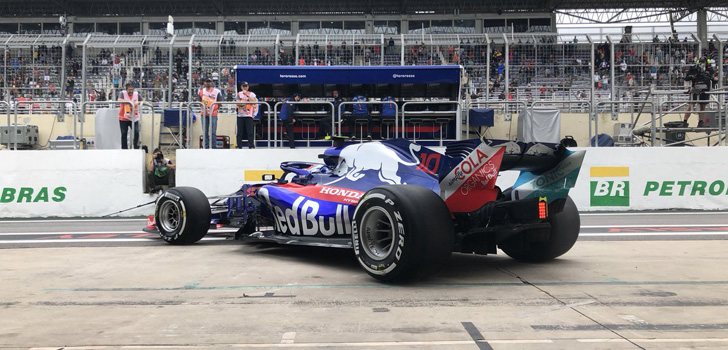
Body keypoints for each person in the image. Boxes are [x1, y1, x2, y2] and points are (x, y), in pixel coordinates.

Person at [684, 57, 718, 126]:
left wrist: (714, 79)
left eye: (704, 62)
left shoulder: (709, 69)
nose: (702, 64)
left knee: (702, 106)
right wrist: (693, 76)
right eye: (701, 62)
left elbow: (713, 79)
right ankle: (684, 122)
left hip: (705, 90)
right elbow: (687, 78)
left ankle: (701, 122)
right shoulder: (694, 68)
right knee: (691, 105)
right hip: (695, 89)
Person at [198, 78, 222, 148]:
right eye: (206, 82)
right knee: (205, 132)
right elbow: (199, 102)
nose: (208, 83)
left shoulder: (217, 91)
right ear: (204, 83)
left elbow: (220, 102)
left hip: (213, 114)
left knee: (213, 132)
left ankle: (213, 147)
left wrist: (215, 109)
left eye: (209, 82)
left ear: (212, 83)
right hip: (204, 114)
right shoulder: (201, 91)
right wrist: (204, 109)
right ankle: (206, 147)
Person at [118, 83, 141, 149]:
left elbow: (142, 100)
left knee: (136, 132)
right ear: (126, 89)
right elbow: (119, 100)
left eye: (132, 90)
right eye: (129, 90)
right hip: (123, 117)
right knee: (124, 133)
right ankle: (124, 149)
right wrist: (129, 102)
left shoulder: (137, 94)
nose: (131, 91)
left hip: (134, 117)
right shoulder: (122, 93)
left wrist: (138, 102)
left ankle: (136, 147)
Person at [236, 81, 257, 149]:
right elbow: (238, 104)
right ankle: (239, 146)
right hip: (240, 115)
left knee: (250, 132)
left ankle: (251, 145)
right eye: (243, 86)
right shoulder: (239, 94)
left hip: (249, 115)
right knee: (239, 132)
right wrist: (243, 104)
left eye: (246, 86)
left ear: (248, 87)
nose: (245, 87)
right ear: (241, 87)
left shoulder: (252, 94)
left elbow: (254, 102)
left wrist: (247, 95)